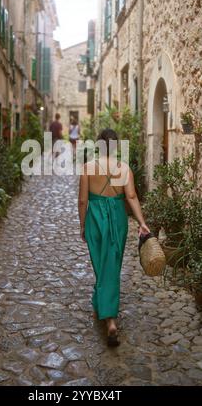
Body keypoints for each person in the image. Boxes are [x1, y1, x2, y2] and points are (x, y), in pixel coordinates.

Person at [78, 128, 150, 347]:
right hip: (118, 219)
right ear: (116, 147)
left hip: (95, 219)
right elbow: (131, 196)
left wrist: (83, 226)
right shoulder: (124, 168)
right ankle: (103, 306)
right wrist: (142, 222)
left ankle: (110, 320)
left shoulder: (88, 168)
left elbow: (83, 201)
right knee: (112, 265)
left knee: (101, 264)